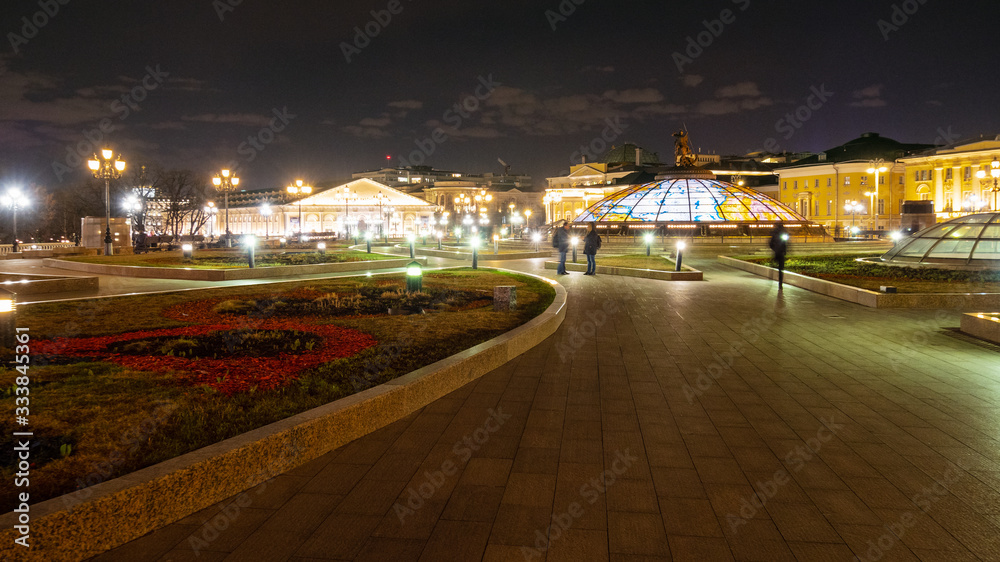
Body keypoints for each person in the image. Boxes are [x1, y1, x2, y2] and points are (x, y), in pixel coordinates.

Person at [769, 222, 789, 288]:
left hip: (777, 252)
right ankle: (780, 282)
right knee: (781, 268)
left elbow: (771, 243)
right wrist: (784, 251)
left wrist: (774, 249)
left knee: (777, 266)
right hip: (780, 252)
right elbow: (785, 243)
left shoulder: (775, 233)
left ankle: (777, 280)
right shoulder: (782, 233)